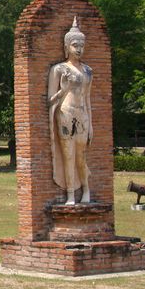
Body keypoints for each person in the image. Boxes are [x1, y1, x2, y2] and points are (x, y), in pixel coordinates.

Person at [48, 17, 93, 205]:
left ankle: (86, 190)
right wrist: (64, 89)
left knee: (81, 157)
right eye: (75, 45)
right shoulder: (59, 69)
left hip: (82, 115)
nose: (79, 49)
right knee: (68, 155)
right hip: (65, 114)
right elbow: (50, 100)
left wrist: (91, 125)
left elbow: (88, 98)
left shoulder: (88, 71)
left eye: (82, 45)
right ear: (67, 46)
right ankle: (70, 195)